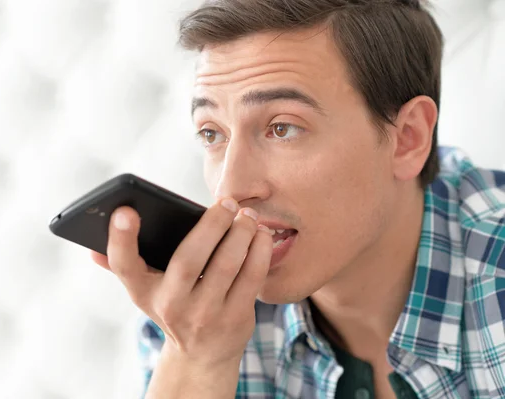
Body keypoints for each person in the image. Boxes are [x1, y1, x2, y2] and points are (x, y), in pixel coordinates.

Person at [91, 0, 505, 398]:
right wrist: (197, 361)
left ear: (407, 138)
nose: (229, 189)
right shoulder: (194, 319)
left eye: (283, 128)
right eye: (212, 133)